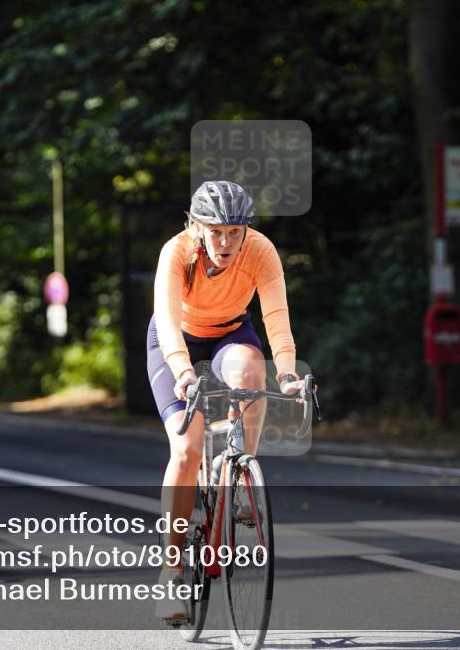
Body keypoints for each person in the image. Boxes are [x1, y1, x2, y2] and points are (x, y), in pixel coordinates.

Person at [146, 180, 305, 622]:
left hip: (231, 333)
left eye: (235, 232)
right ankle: (172, 571)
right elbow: (168, 321)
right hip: (174, 338)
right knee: (187, 446)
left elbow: (275, 316)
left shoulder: (260, 250)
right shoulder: (176, 252)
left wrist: (288, 371)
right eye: (215, 231)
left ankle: (239, 472)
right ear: (196, 227)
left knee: (253, 375)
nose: (226, 241)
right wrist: (182, 373)